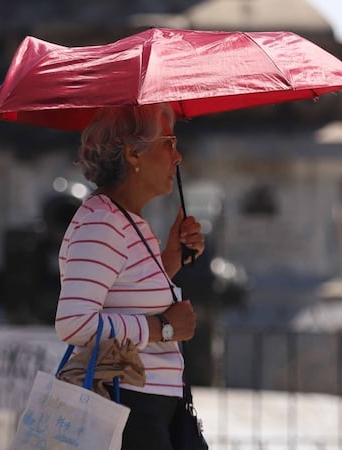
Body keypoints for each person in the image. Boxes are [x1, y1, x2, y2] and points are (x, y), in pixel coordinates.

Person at [54, 103, 205, 449]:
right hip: (128, 408)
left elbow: (128, 294)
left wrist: (171, 258)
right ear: (132, 154)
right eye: (168, 142)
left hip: (153, 405)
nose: (178, 156)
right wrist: (164, 327)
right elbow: (74, 323)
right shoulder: (101, 223)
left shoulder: (125, 220)